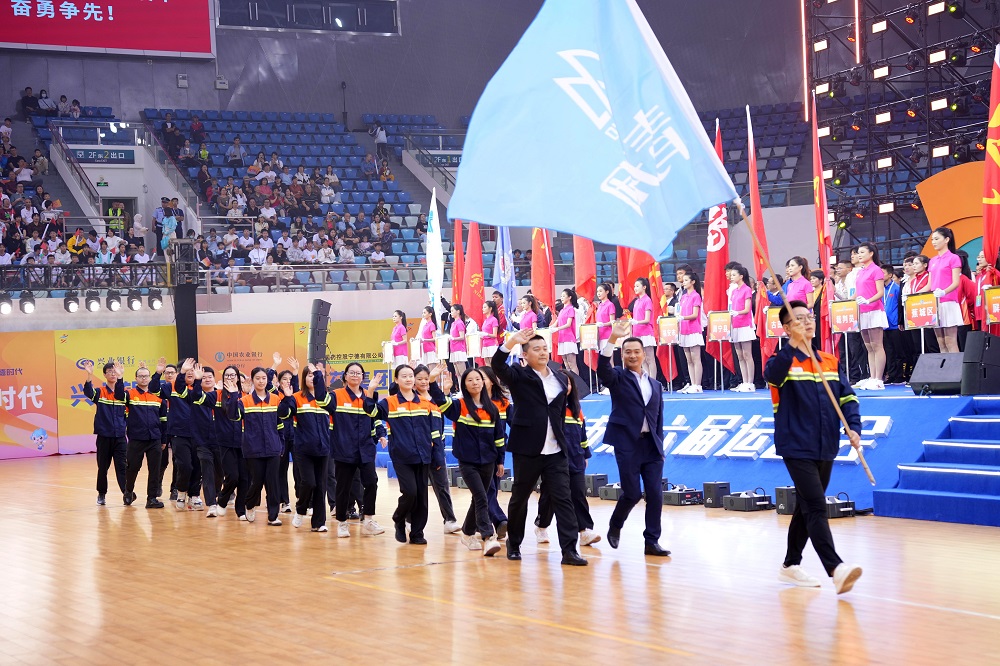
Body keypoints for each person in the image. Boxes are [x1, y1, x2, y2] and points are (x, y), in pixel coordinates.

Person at [766, 300, 863, 594]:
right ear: (786, 328)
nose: (807, 322)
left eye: (808, 317)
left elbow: (848, 398)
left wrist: (854, 427)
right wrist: (792, 346)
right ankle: (836, 568)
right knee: (817, 506)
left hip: (826, 444)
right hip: (796, 444)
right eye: (798, 319)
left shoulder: (829, 361)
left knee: (806, 506)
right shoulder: (781, 360)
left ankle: (790, 565)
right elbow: (772, 376)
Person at [491, 329, 587, 566]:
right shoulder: (518, 375)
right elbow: (497, 365)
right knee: (520, 498)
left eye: (545, 348)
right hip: (528, 448)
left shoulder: (560, 378)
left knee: (563, 499)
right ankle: (514, 544)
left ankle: (569, 551)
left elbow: (559, 413)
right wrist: (511, 342)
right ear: (525, 354)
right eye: (536, 349)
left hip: (556, 450)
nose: (543, 353)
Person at [596, 322, 670, 555]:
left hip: (651, 446)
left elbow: (658, 418)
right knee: (632, 493)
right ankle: (615, 524)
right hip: (627, 444)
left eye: (637, 351)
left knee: (655, 495)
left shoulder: (655, 385)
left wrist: (660, 447)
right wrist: (612, 339)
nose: (632, 355)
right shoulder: (618, 377)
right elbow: (603, 370)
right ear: (622, 355)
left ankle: (652, 541)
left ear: (644, 354)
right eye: (628, 352)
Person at [430, 365, 505, 556]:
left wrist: (500, 461)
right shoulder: (459, 406)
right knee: (481, 497)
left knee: (479, 498)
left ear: (483, 383)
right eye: (470, 380)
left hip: (488, 461)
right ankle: (488, 537)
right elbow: (441, 401)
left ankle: (468, 532)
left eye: (478, 379)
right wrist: (432, 381)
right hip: (467, 461)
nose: (475, 383)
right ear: (464, 384)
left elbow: (499, 438)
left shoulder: (492, 409)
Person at [534, 371, 601, 547]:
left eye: (569, 383)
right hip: (554, 460)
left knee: (579, 494)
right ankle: (541, 526)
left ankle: (585, 530)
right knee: (549, 496)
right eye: (562, 383)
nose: (566, 386)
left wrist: (585, 454)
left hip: (576, 459)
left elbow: (582, 435)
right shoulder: (549, 408)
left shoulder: (577, 410)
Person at [378, 364, 440, 544]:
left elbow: (434, 431)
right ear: (396, 380)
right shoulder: (389, 402)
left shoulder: (426, 403)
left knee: (422, 498)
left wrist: (436, 455)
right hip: (402, 456)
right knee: (410, 492)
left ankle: (417, 533)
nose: (408, 379)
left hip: (423, 455)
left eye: (410, 376)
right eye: (403, 376)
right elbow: (372, 414)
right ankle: (399, 518)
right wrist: (372, 390)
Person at [224, 366, 291, 525]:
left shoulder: (275, 399)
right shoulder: (245, 401)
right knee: (256, 481)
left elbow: (283, 418)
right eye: (258, 378)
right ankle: (250, 504)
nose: (261, 381)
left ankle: (273, 516)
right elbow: (234, 416)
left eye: (264, 378)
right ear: (252, 380)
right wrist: (233, 395)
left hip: (273, 448)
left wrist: (288, 398)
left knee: (272, 482)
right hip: (253, 449)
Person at [330, 362, 383, 538]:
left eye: (358, 373)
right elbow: (323, 403)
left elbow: (375, 417)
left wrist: (381, 434)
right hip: (344, 448)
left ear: (363, 377)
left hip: (365, 448)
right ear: (345, 376)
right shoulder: (336, 395)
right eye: (351, 373)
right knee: (343, 487)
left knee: (371, 482)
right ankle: (342, 522)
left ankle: (368, 519)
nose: (355, 375)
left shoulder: (369, 395)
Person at [281, 363, 334, 532]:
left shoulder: (326, 398)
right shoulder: (296, 397)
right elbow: (283, 414)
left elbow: (333, 413)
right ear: (304, 379)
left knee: (321, 486)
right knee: (309, 482)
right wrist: (287, 398)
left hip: (323, 448)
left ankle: (319, 523)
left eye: (315, 375)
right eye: (309, 375)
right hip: (303, 449)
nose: (313, 378)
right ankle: (301, 509)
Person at [413, 365, 461, 533]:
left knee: (442, 486)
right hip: (418, 450)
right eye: (419, 378)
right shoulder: (410, 398)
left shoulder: (436, 398)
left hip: (437, 449)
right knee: (416, 489)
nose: (423, 382)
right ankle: (410, 520)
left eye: (426, 378)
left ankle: (450, 520)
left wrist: (446, 392)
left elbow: (448, 410)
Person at [122, 361, 167, 509]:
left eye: (146, 376)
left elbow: (163, 420)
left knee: (155, 469)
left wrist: (163, 439)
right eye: (141, 376)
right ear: (136, 378)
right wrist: (120, 378)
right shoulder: (129, 394)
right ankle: (128, 491)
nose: (143, 378)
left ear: (150, 378)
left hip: (155, 438)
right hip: (136, 438)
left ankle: (152, 498)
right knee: (132, 467)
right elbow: (118, 396)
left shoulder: (158, 397)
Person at [83, 359, 127, 506]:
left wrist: (121, 378)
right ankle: (101, 494)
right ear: (104, 375)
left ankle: (126, 493)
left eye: (115, 372)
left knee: (122, 467)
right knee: (103, 467)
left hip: (120, 437)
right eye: (110, 372)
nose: (113, 374)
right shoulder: (100, 392)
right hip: (104, 437)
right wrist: (89, 375)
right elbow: (88, 392)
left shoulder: (123, 394)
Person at [215, 365, 249, 520]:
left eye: (233, 375)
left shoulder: (245, 396)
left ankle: (241, 511)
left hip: (244, 443)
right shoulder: (217, 394)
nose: (230, 378)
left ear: (238, 378)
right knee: (233, 476)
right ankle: (222, 499)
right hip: (226, 442)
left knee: (244, 478)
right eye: (227, 375)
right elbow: (231, 413)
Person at [854, 242, 887, 390]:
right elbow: (856, 294)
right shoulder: (860, 272)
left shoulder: (876, 270)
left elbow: (880, 292)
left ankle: (879, 379)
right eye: (858, 253)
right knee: (868, 346)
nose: (859, 255)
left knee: (877, 345)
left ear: (871, 253)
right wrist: (840, 301)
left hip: (874, 310)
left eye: (862, 252)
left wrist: (868, 300)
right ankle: (872, 377)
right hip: (862, 312)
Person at [929, 227, 963, 353]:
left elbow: (956, 282)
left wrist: (944, 292)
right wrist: (912, 295)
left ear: (947, 239)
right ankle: (945, 366)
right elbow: (929, 284)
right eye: (932, 239)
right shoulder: (932, 260)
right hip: (935, 303)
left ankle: (955, 366)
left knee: (950, 341)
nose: (934, 242)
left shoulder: (953, 258)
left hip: (948, 302)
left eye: (937, 239)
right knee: (941, 342)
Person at [729, 263, 756, 391]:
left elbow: (746, 309)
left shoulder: (747, 289)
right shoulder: (734, 291)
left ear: (741, 276)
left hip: (745, 325)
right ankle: (744, 381)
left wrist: (737, 312)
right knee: (739, 355)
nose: (731, 277)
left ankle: (750, 382)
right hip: (735, 325)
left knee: (747, 354)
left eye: (734, 275)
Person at [677, 273, 705, 394]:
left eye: (686, 280)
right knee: (688, 359)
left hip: (693, 329)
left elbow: (694, 314)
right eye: (683, 280)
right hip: (684, 330)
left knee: (695, 358)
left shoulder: (696, 296)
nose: (683, 282)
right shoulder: (683, 297)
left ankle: (698, 385)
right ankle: (693, 383)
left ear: (693, 282)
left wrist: (683, 317)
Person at [630, 278, 658, 379]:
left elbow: (647, 319)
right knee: (642, 359)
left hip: (646, 332)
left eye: (637, 286)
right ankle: (646, 379)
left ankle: (653, 381)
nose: (635, 288)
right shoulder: (637, 301)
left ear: (644, 287)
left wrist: (637, 322)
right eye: (634, 286)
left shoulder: (647, 300)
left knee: (650, 358)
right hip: (637, 333)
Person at [553, 288, 580, 375]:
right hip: (561, 339)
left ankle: (576, 382)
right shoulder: (561, 310)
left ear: (569, 297)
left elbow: (568, 324)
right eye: (561, 296)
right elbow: (555, 324)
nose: (561, 298)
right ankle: (570, 381)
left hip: (569, 338)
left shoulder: (571, 309)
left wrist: (557, 329)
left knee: (572, 364)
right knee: (566, 364)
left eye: (563, 296)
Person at [449, 304, 469, 377]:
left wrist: (453, 338)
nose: (451, 313)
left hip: (459, 349)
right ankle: (460, 384)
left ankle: (464, 384)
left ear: (458, 311)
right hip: (453, 349)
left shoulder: (460, 323)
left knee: (462, 371)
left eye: (452, 311)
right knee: (457, 373)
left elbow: (462, 337)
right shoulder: (453, 323)